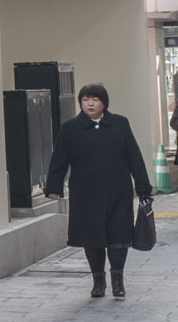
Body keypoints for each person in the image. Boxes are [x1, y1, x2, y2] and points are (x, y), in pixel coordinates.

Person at [45, 82, 153, 300]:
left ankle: (118, 282)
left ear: (104, 102)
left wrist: (143, 187)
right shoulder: (70, 128)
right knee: (91, 238)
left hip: (118, 192)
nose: (90, 104)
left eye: (95, 99)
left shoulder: (120, 124)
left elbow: (134, 157)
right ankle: (98, 282)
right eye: (85, 100)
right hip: (85, 195)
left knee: (119, 238)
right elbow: (59, 159)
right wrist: (54, 187)